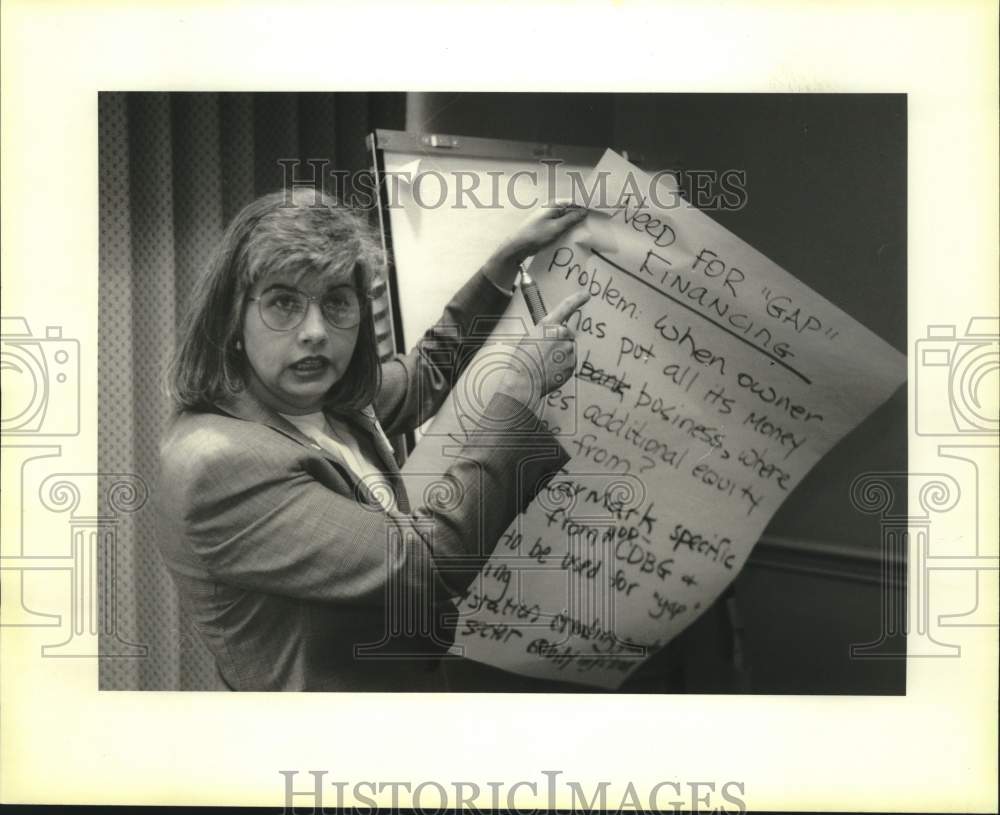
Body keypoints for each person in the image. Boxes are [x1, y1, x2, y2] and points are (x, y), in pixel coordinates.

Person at [156, 187, 589, 691]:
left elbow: (429, 369)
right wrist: (519, 388)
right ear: (233, 318)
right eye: (283, 303)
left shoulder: (327, 398)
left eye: (338, 301)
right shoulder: (219, 463)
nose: (315, 331)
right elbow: (430, 563)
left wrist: (503, 263)